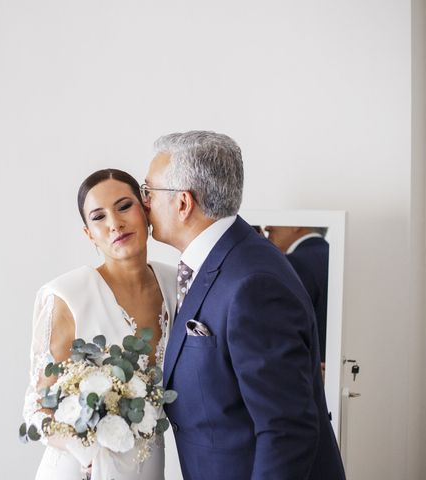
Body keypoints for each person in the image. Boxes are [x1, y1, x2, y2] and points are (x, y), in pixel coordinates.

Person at [143, 131, 345, 480]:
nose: (144, 202)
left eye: (149, 191)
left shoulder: (253, 283)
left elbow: (286, 430)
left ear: (182, 203)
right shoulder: (224, 258)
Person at [23, 169, 177, 480]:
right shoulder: (68, 296)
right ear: (88, 233)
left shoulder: (177, 285)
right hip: (82, 470)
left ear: (146, 209)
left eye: (124, 207)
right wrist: (87, 452)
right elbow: (34, 412)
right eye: (98, 217)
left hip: (149, 466)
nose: (114, 223)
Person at [265, 226, 330, 367]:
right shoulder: (334, 256)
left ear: (296, 226)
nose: (267, 227)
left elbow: (283, 327)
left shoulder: (293, 263)